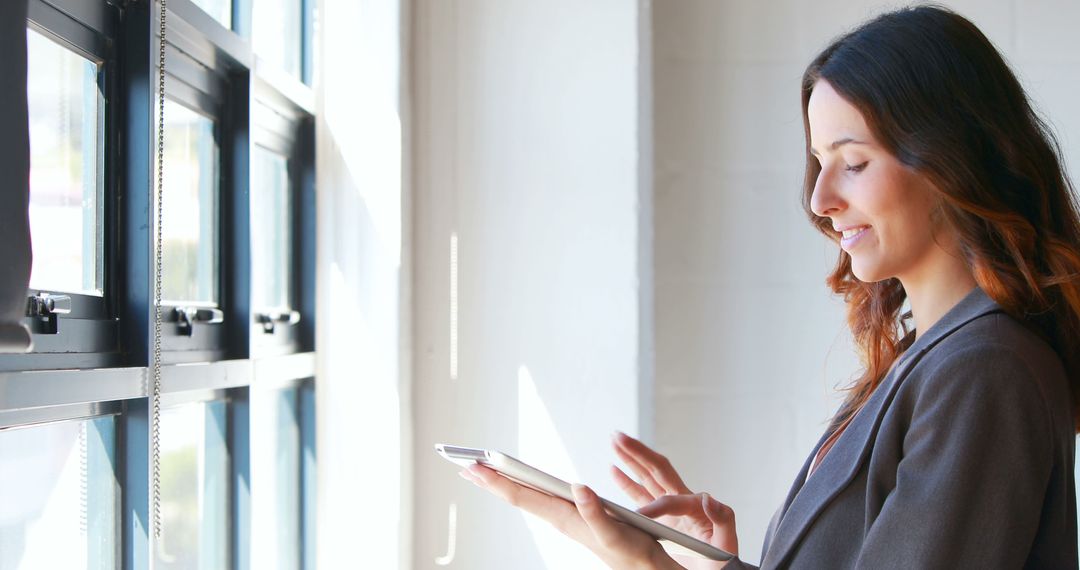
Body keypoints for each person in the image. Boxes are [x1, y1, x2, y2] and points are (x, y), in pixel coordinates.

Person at [460, 6, 1080, 568]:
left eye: (855, 163)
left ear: (950, 160)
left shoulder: (982, 370)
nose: (820, 198)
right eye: (819, 162)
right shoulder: (927, 361)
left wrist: (651, 566)